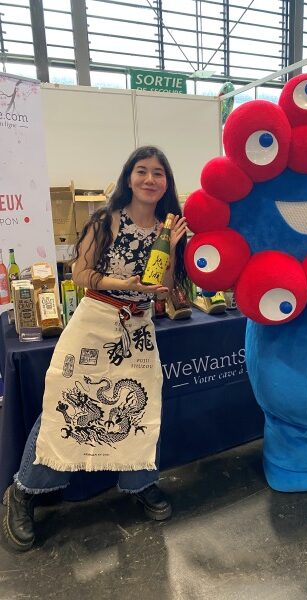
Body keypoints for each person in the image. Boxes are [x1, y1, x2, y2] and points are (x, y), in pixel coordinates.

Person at [2, 146, 188, 552]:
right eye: (143, 171)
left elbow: (167, 286)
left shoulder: (166, 227)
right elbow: (83, 275)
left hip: (137, 327)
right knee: (65, 403)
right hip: (95, 321)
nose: (151, 179)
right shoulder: (106, 220)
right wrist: (128, 285)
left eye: (159, 173)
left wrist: (170, 248)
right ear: (129, 177)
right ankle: (24, 491)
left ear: (167, 183)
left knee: (139, 408)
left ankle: (140, 483)